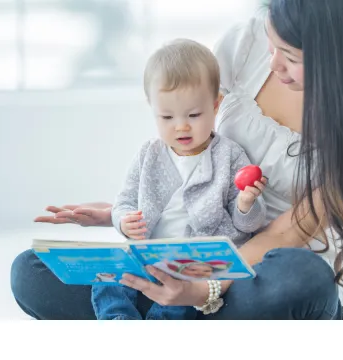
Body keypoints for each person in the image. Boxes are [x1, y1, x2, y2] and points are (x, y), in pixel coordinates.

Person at [11, 0, 343, 320]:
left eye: (289, 55)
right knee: (33, 271)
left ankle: (169, 314)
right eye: (272, 46)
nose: (273, 64)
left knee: (303, 277)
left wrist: (205, 285)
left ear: (337, 56)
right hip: (191, 247)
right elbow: (189, 138)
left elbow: (285, 234)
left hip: (262, 276)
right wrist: (124, 212)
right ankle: (161, 317)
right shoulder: (247, 44)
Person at [92, 39, 267, 320]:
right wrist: (124, 221)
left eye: (194, 115)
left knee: (178, 298)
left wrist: (247, 204)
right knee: (107, 277)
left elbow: (247, 225)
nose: (181, 126)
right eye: (167, 116)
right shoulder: (149, 154)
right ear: (152, 109)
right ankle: (118, 320)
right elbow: (123, 201)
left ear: (215, 105)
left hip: (198, 261)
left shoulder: (229, 155)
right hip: (149, 255)